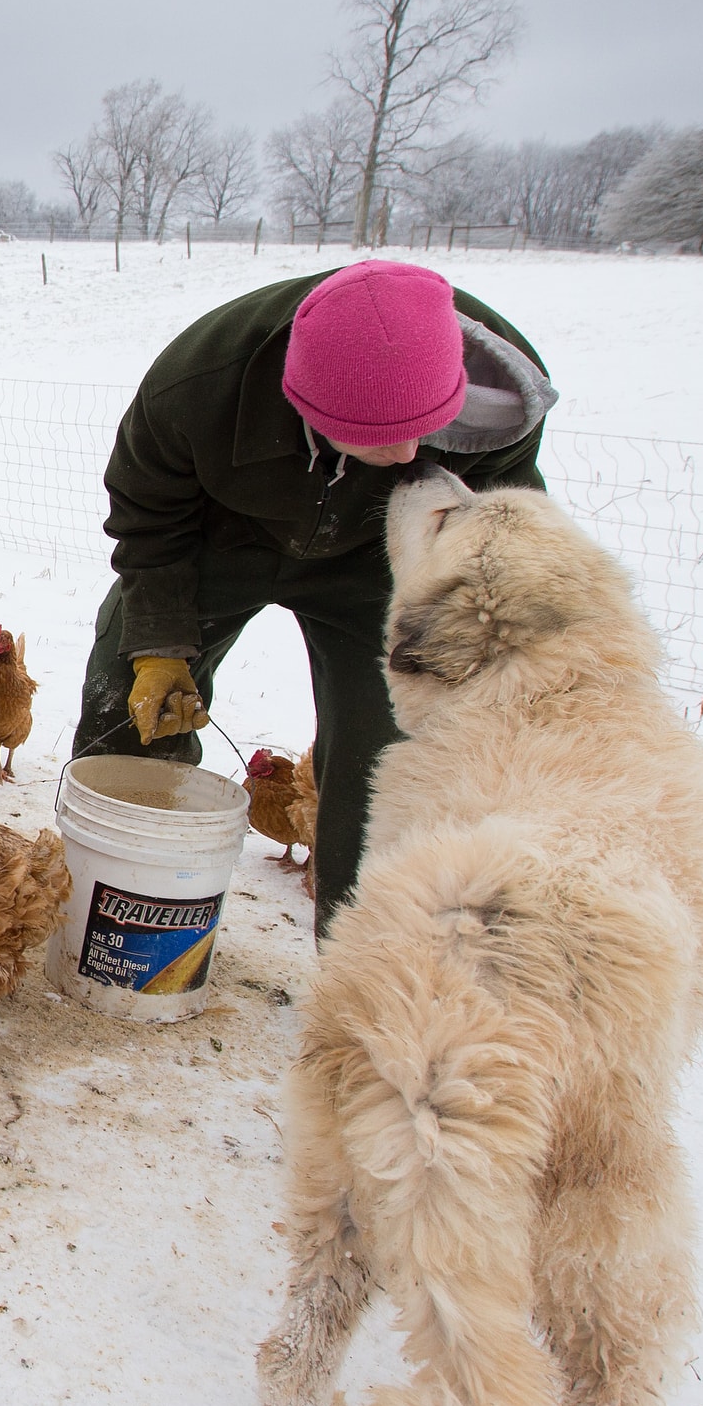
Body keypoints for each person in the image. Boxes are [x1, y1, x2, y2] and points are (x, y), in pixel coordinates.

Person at [74, 259, 555, 933]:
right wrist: (159, 646)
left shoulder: (501, 397)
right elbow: (149, 518)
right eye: (381, 436)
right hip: (220, 533)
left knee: (387, 760)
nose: (411, 449)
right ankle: (111, 898)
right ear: (305, 403)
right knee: (128, 698)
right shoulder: (199, 387)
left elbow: (495, 536)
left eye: (427, 425)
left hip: (379, 558)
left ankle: (363, 951)